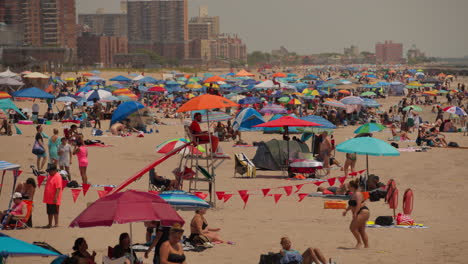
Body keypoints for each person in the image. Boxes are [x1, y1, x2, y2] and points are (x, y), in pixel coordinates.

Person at [343, 179, 370, 249]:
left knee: (352, 228)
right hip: (360, 212)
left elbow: (358, 204)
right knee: (361, 230)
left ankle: (359, 242)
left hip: (362, 212)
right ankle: (366, 246)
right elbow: (352, 205)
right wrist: (346, 210)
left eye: (349, 186)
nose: (348, 188)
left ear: (353, 187)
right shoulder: (354, 194)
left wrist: (355, 213)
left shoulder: (358, 194)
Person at [43, 164, 63, 228]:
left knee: (55, 211)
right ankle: (49, 223)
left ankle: (56, 223)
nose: (49, 172)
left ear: (54, 170)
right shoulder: (49, 176)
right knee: (49, 211)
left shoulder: (57, 176)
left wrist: (55, 197)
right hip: (48, 197)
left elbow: (58, 188)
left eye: (50, 171)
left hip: (54, 197)